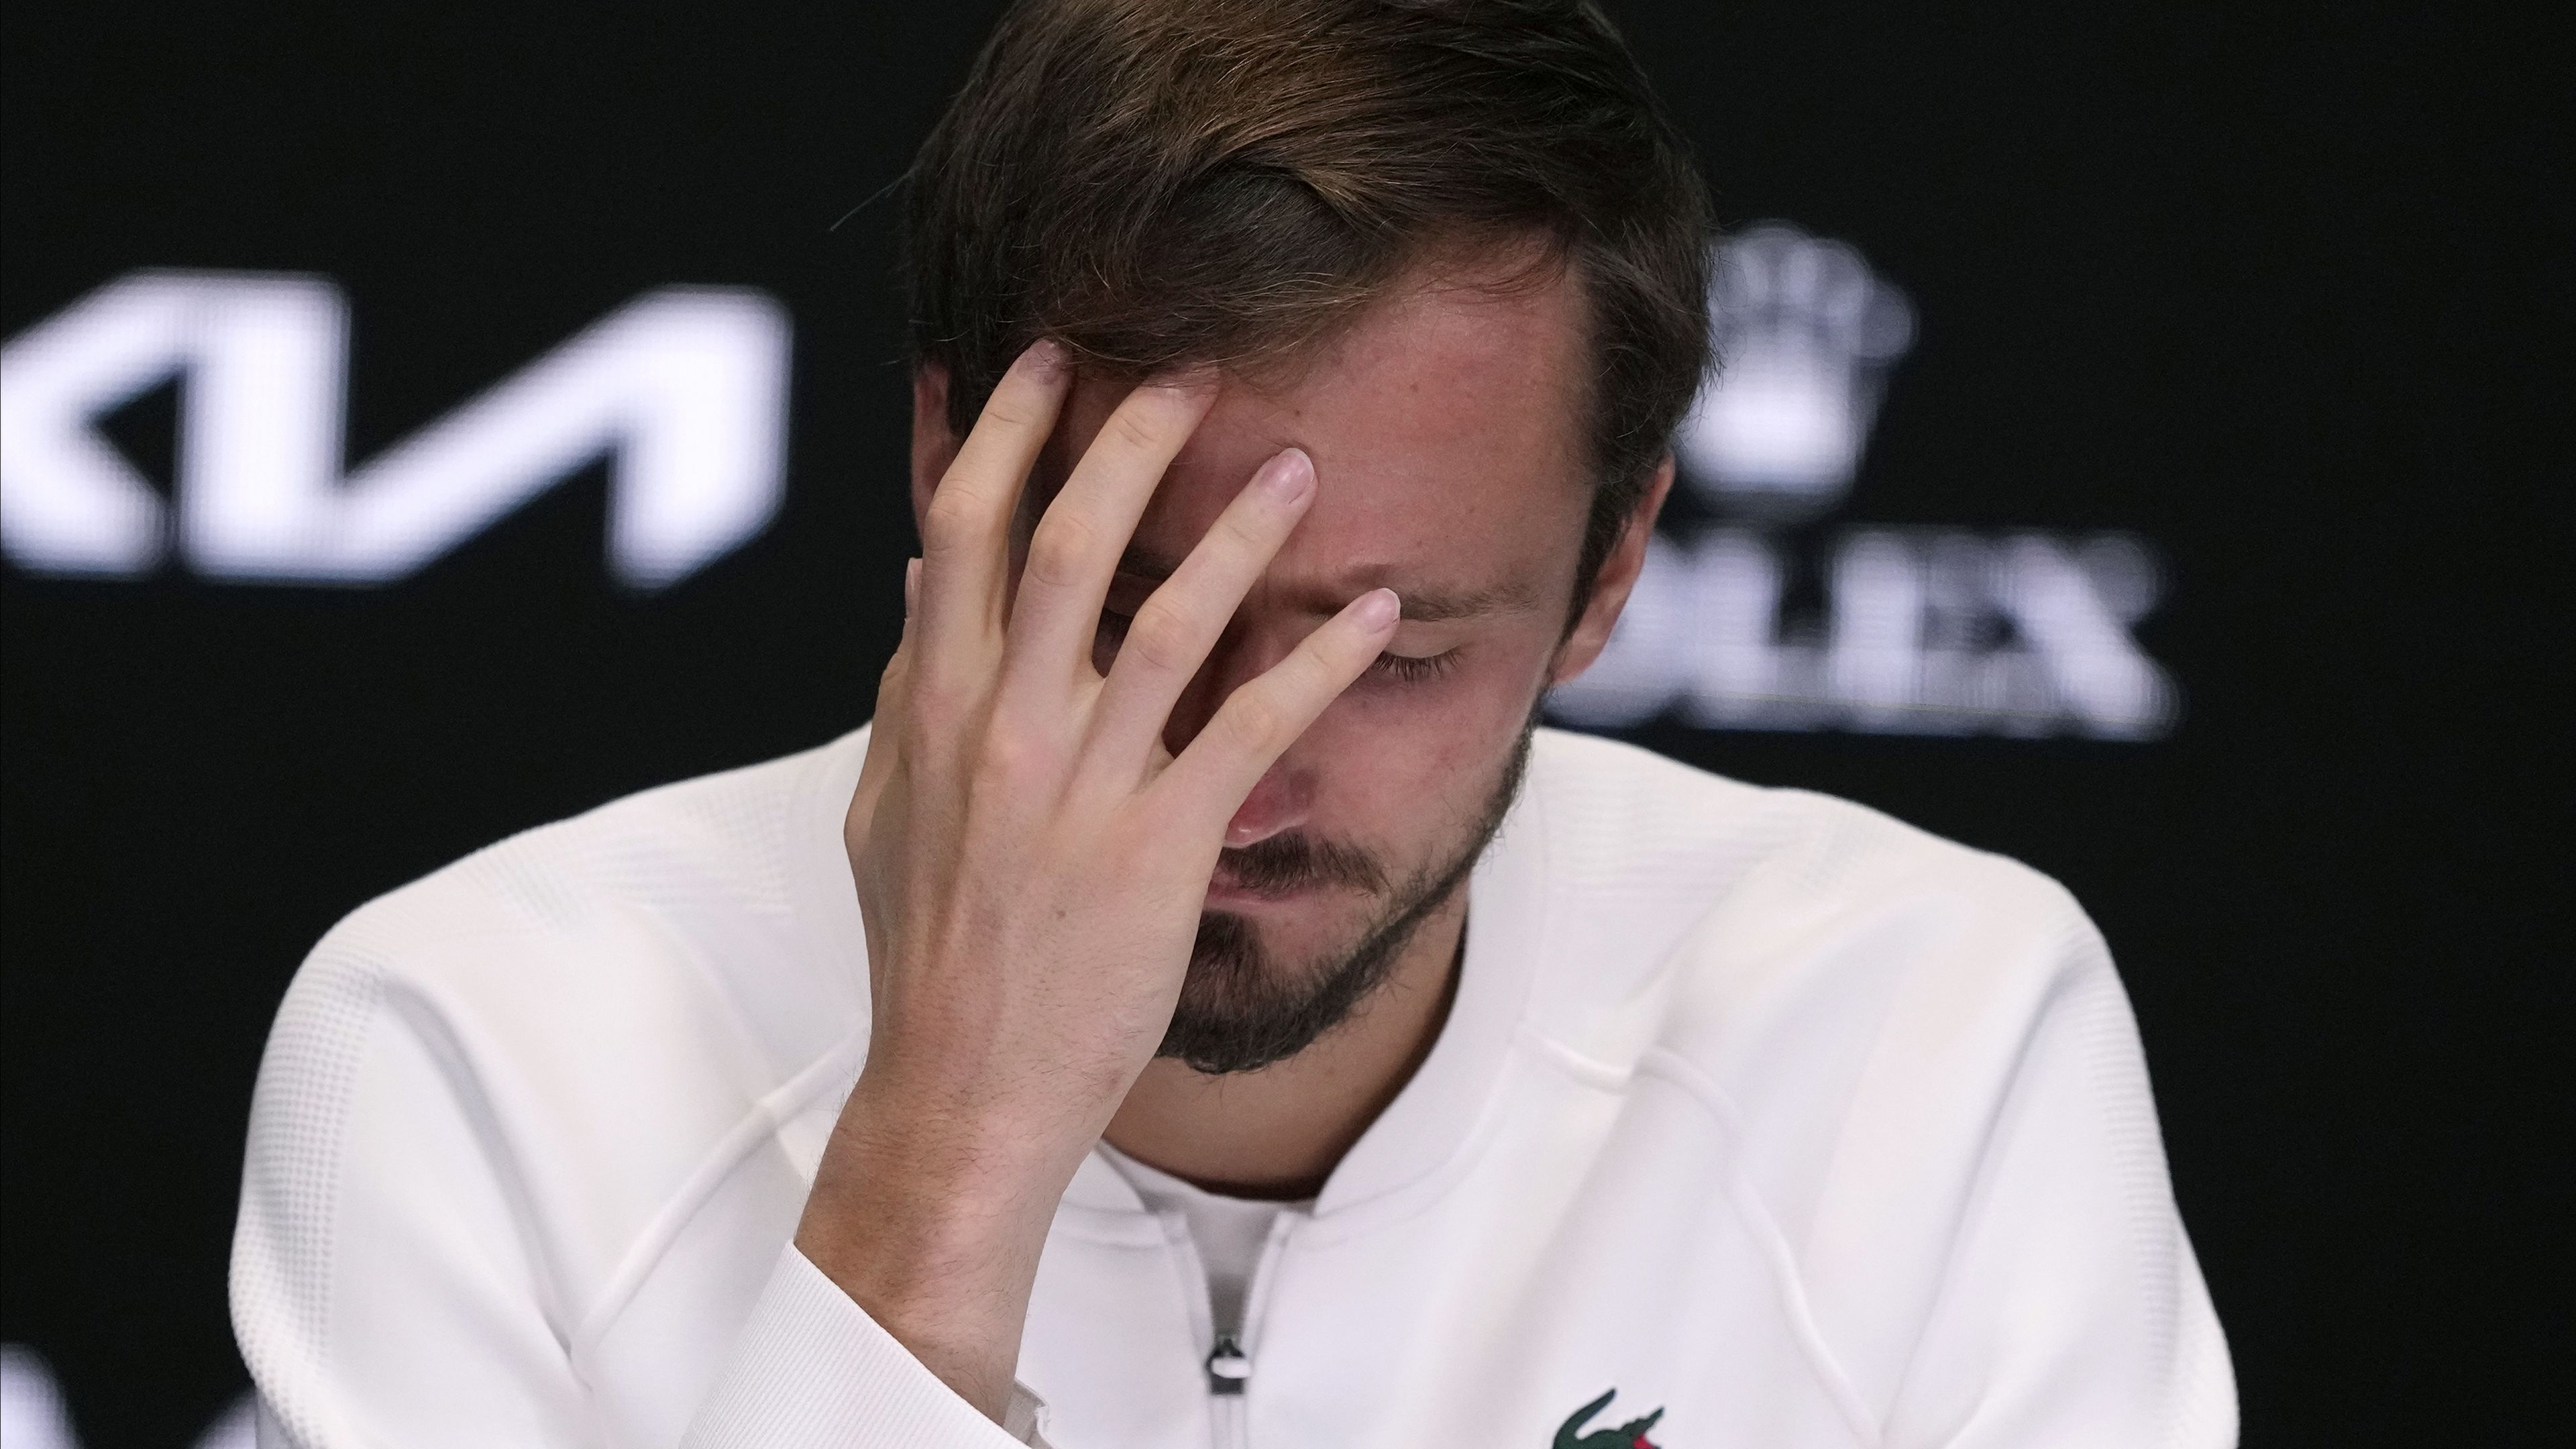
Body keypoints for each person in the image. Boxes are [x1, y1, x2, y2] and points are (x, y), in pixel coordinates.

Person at [229, 1, 2236, 1445]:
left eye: (1394, 649)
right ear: (952, 458)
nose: (1241, 770)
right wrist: (946, 1158)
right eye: (1145, 612)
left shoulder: (1928, 1035)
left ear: (1616, 565)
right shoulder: (474, 1054)